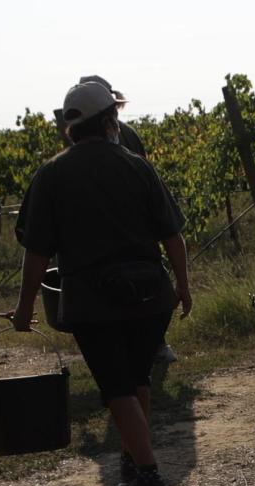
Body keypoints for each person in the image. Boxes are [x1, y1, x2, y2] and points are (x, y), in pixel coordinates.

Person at [11, 81, 191, 486]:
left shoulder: (52, 174)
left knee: (116, 386)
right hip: (151, 296)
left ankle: (147, 473)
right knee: (137, 377)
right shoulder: (138, 165)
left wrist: (23, 309)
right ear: (110, 120)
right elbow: (173, 236)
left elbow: (37, 253)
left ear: (71, 126)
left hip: (94, 301)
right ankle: (133, 460)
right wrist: (182, 285)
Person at [78, 74, 179, 365]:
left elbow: (145, 177)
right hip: (118, 225)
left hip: (133, 224)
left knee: (142, 281)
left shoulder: (129, 135)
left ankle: (152, 345)